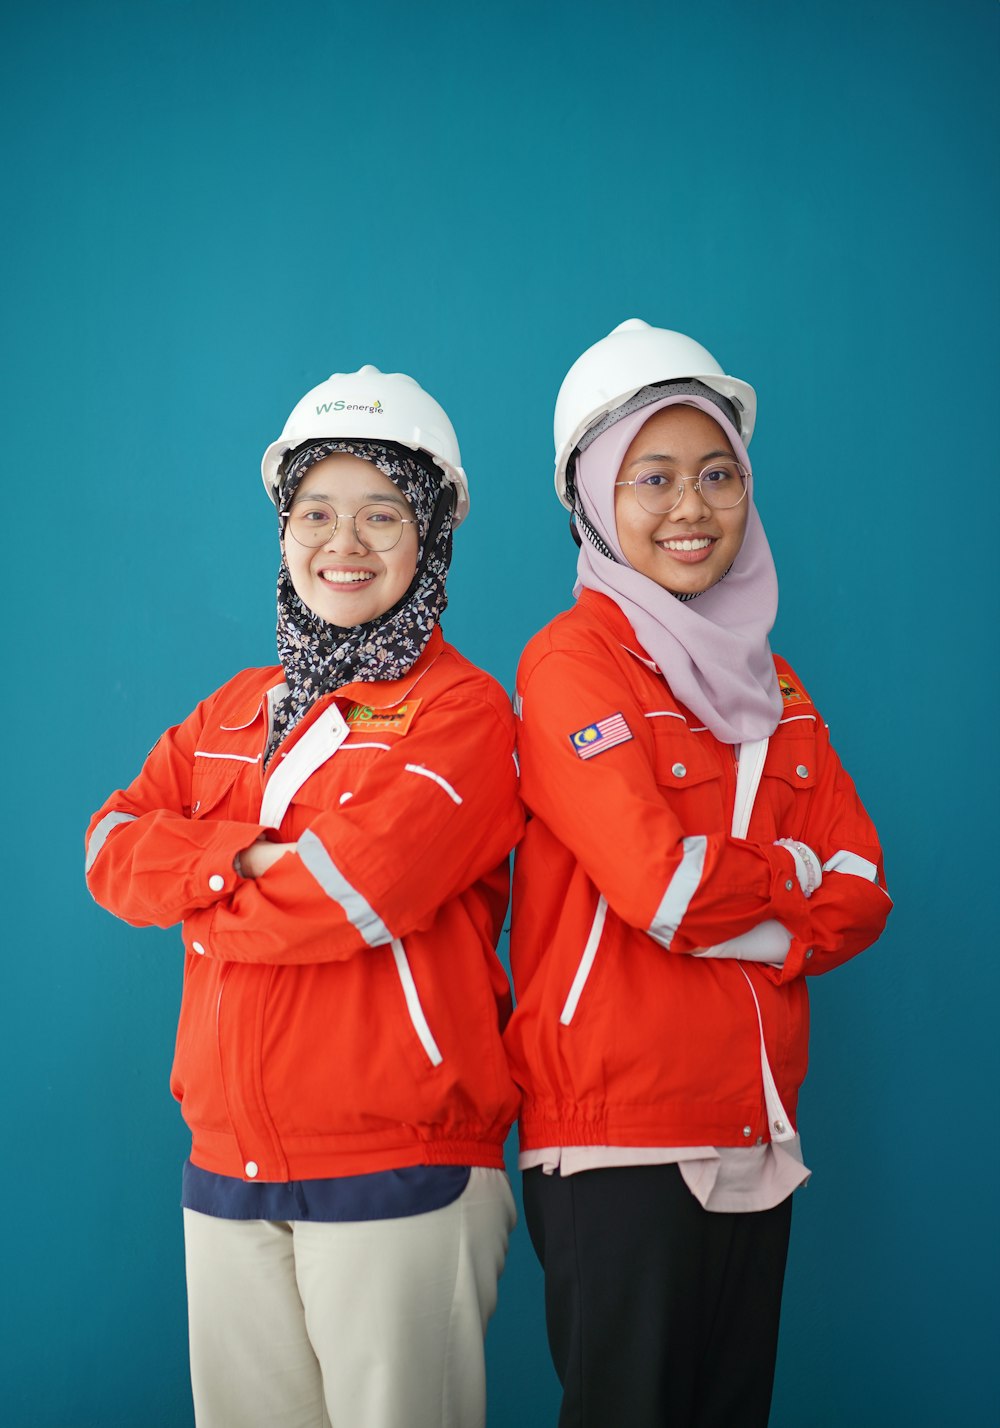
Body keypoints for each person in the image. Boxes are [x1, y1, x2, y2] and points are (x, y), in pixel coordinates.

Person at [85, 365, 522, 1428]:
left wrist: (194, 862)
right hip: (227, 1164)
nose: (345, 543)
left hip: (398, 1165)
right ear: (283, 533)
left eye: (382, 514)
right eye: (316, 513)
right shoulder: (232, 709)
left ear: (430, 538)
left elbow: (349, 892)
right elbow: (106, 847)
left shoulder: (463, 713)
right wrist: (250, 859)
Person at [504, 320, 892, 1428]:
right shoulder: (570, 662)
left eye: (718, 474)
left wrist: (751, 896)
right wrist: (791, 895)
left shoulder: (778, 685)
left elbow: (865, 884)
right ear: (590, 500)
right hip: (616, 1136)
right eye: (653, 477)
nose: (691, 508)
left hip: (754, 1126)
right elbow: (655, 886)